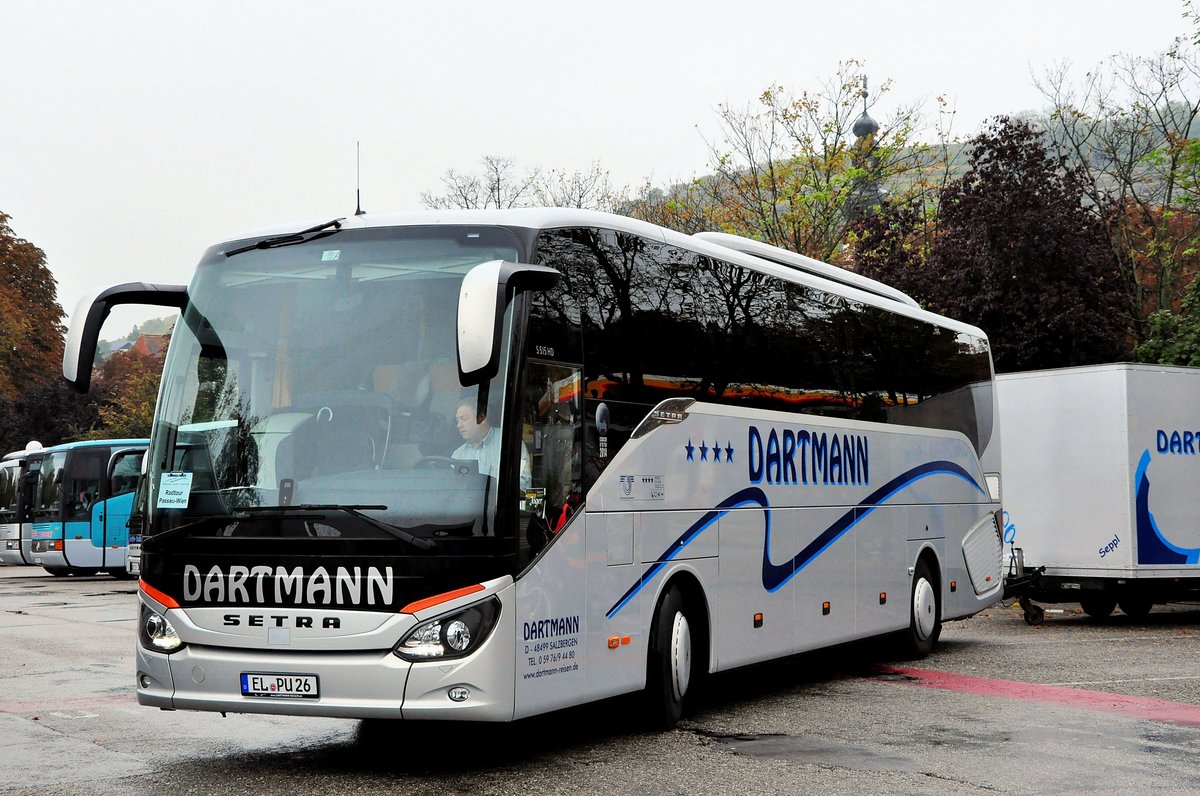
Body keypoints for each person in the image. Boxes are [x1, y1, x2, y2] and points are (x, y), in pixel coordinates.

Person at [451, 399, 531, 489]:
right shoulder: (457, 455)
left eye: (464, 418)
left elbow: (523, 486)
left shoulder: (509, 443)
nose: (459, 425)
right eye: (457, 420)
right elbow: (453, 491)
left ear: (481, 417)